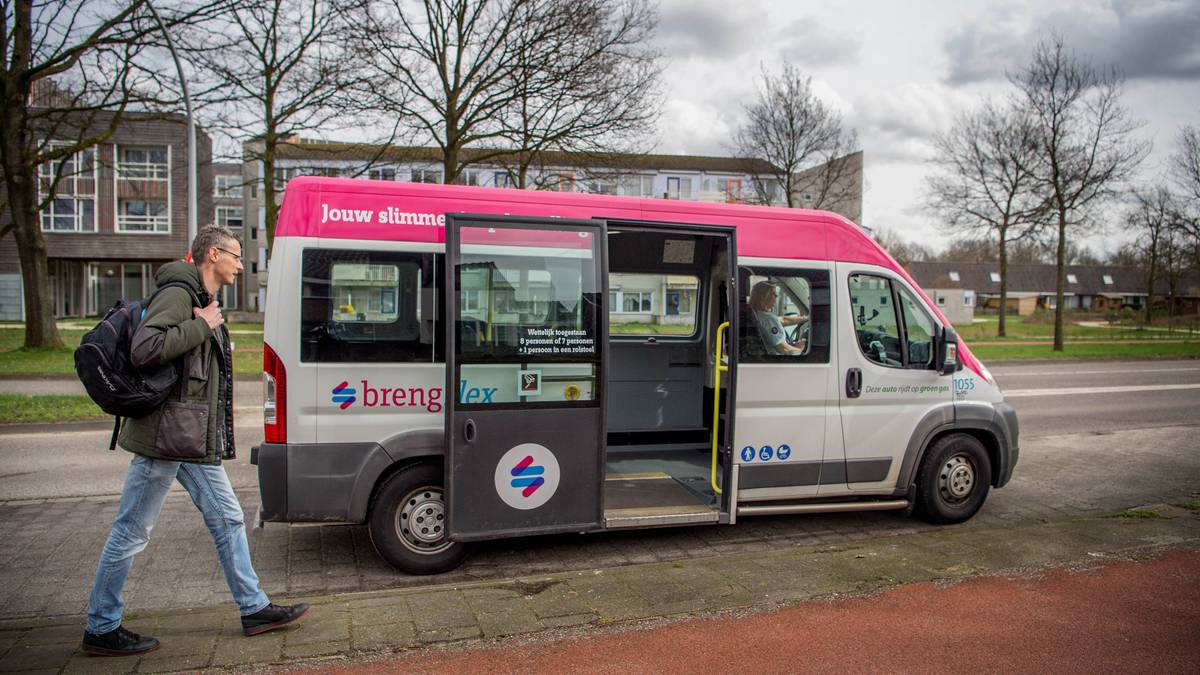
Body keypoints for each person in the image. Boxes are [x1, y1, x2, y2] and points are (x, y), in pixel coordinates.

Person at [82, 226, 309, 657]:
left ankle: (254, 607)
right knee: (132, 530)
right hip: (164, 438)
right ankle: (101, 626)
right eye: (236, 256)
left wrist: (204, 323)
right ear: (212, 255)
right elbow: (145, 349)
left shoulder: (199, 298)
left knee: (228, 520)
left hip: (187, 437)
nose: (241, 265)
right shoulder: (179, 294)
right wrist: (202, 326)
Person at [749, 281, 808, 356]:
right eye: (773, 294)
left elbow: (783, 320)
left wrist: (805, 318)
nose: (776, 296)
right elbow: (783, 349)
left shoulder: (758, 313)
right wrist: (801, 350)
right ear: (763, 297)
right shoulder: (768, 319)